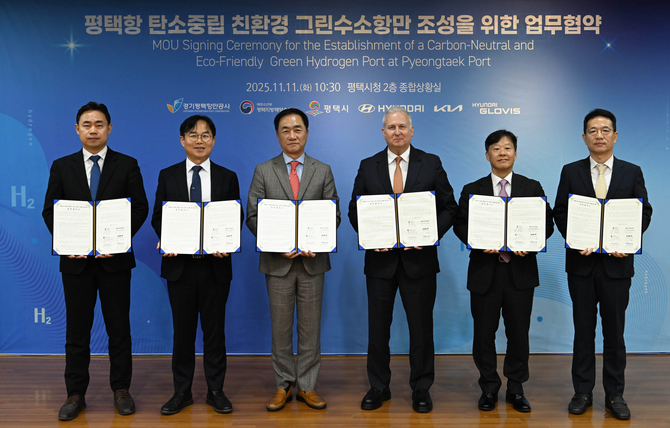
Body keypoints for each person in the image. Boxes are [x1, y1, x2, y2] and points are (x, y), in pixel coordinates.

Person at [42, 102, 148, 421]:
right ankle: (75, 394)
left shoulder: (126, 164)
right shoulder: (62, 166)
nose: (93, 130)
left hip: (115, 262)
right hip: (76, 264)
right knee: (77, 333)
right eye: (86, 124)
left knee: (119, 330)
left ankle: (121, 390)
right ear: (77, 129)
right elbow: (50, 211)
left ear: (109, 129)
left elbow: (139, 208)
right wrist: (68, 244)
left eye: (99, 124)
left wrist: (115, 241)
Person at [348, 106, 458, 413]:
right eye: (391, 127)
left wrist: (428, 234)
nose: (397, 132)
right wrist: (371, 237)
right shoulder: (368, 165)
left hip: (419, 262)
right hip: (380, 263)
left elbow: (449, 207)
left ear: (411, 130)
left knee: (421, 330)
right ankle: (378, 386)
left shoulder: (431, 162)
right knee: (378, 329)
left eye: (402, 126)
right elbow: (355, 209)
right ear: (383, 132)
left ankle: (421, 387)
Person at [554, 109, 652, 420]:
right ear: (584, 137)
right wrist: (574, 237)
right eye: (593, 130)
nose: (599, 135)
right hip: (581, 265)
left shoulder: (631, 172)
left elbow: (643, 212)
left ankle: (615, 395)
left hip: (616, 266)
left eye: (605, 130)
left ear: (615, 136)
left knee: (614, 332)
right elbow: (560, 212)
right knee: (583, 330)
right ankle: (582, 391)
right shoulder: (570, 171)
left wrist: (627, 241)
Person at [246, 108, 340, 411]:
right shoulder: (264, 170)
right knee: (281, 328)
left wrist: (318, 241)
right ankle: (283, 385)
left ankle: (308, 387)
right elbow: (253, 216)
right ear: (277, 135)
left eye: (297, 129)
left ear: (307, 133)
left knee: (310, 329)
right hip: (278, 263)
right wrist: (277, 245)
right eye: (285, 130)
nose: (292, 135)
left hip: (312, 263)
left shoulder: (322, 170)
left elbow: (333, 214)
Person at [453, 130, 554, 413]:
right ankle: (488, 387)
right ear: (487, 155)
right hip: (484, 272)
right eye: (496, 148)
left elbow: (546, 224)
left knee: (519, 334)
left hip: (520, 272)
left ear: (516, 154)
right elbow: (460, 224)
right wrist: (477, 241)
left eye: (507, 148)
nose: (502, 153)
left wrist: (530, 246)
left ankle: (516, 389)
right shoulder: (472, 189)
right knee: (484, 334)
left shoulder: (532, 187)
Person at [151, 115, 241, 415]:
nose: (199, 140)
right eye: (193, 134)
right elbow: (158, 216)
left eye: (205, 135)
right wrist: (166, 239)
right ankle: (182, 392)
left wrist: (228, 241)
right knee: (183, 333)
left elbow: (235, 216)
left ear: (213, 140)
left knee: (215, 333)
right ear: (182, 140)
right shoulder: (168, 175)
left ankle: (216, 391)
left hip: (215, 267)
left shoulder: (228, 177)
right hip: (180, 268)